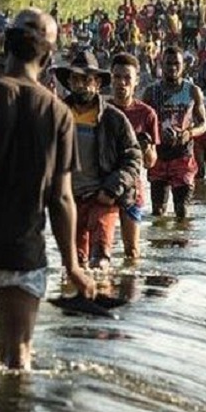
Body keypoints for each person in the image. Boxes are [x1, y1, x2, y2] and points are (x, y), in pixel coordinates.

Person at [0, 9, 98, 370]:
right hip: (23, 251)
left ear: (5, 45)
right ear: (48, 57)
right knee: (18, 360)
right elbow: (61, 198)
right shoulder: (58, 114)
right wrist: (73, 265)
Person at [56, 51, 144, 270]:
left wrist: (113, 188)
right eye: (76, 79)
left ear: (97, 84)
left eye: (87, 80)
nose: (81, 85)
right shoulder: (57, 116)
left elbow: (134, 157)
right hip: (69, 201)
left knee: (100, 261)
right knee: (73, 264)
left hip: (102, 198)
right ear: (68, 82)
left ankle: (104, 299)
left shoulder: (113, 118)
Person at [142, 45, 206, 221]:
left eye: (176, 64)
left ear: (183, 66)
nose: (172, 67)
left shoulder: (193, 91)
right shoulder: (151, 92)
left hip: (183, 157)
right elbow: (141, 125)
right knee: (157, 213)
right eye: (168, 63)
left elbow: (203, 124)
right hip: (159, 157)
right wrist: (154, 134)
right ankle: (159, 247)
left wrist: (189, 133)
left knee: (182, 212)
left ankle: (182, 246)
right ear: (161, 65)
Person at [108, 52, 160, 264]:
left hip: (132, 188)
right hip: (104, 186)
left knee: (132, 252)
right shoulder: (102, 110)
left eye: (127, 78)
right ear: (110, 79)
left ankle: (130, 292)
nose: (122, 83)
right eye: (117, 77)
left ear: (136, 80)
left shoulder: (146, 114)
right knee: (101, 249)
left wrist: (145, 147)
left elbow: (151, 162)